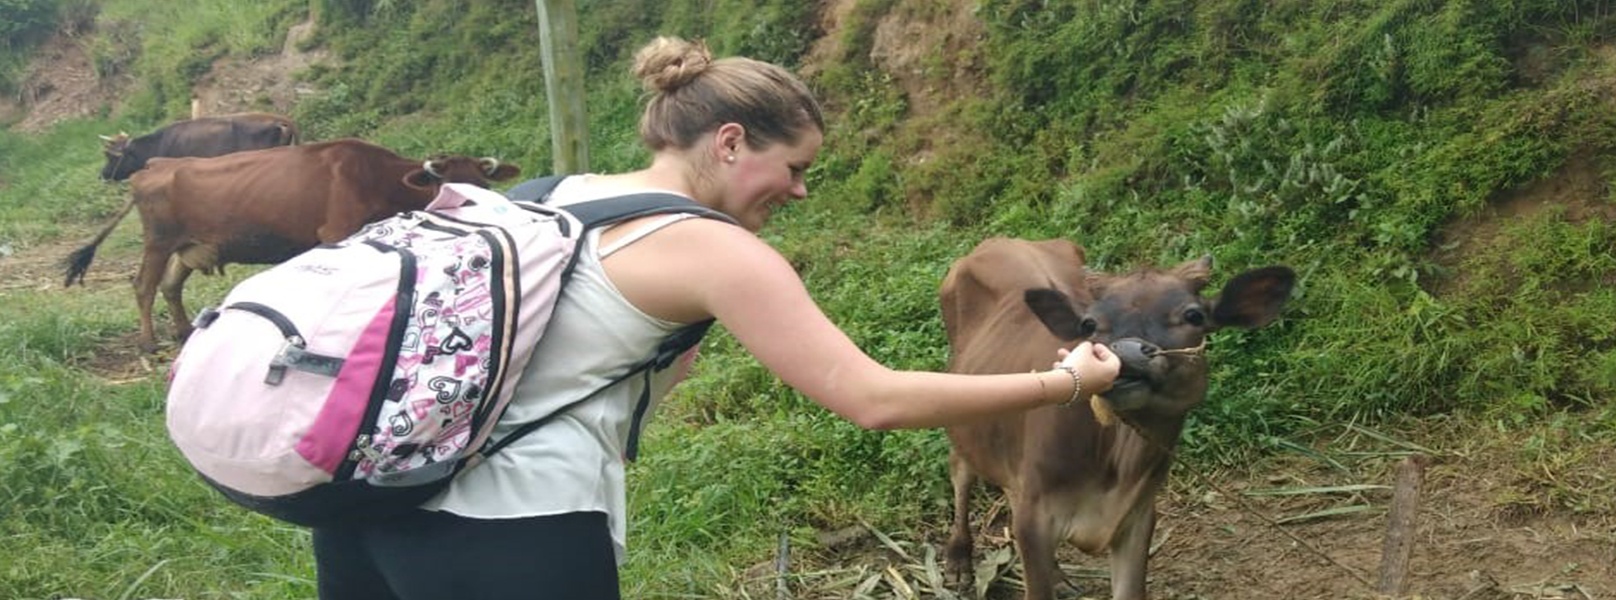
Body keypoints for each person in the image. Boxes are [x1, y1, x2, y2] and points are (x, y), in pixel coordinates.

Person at [308, 36, 1122, 600]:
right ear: (730, 142)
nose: (800, 190)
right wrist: (1060, 381)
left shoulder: (555, 193)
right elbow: (873, 399)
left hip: (366, 501)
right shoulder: (713, 249)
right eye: (795, 167)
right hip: (508, 529)